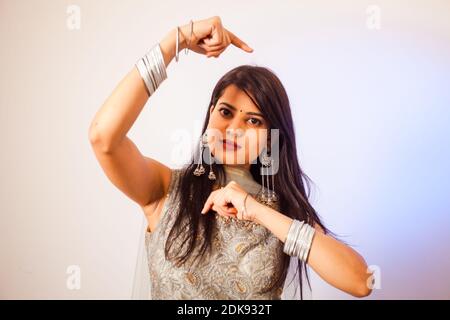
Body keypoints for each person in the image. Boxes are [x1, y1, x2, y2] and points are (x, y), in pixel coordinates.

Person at [89, 16, 373, 299]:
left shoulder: (282, 211)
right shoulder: (165, 188)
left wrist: (257, 209)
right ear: (211, 112)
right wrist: (175, 42)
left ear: (271, 137)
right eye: (225, 112)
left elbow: (361, 282)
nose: (234, 130)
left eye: (253, 121)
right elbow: (103, 138)